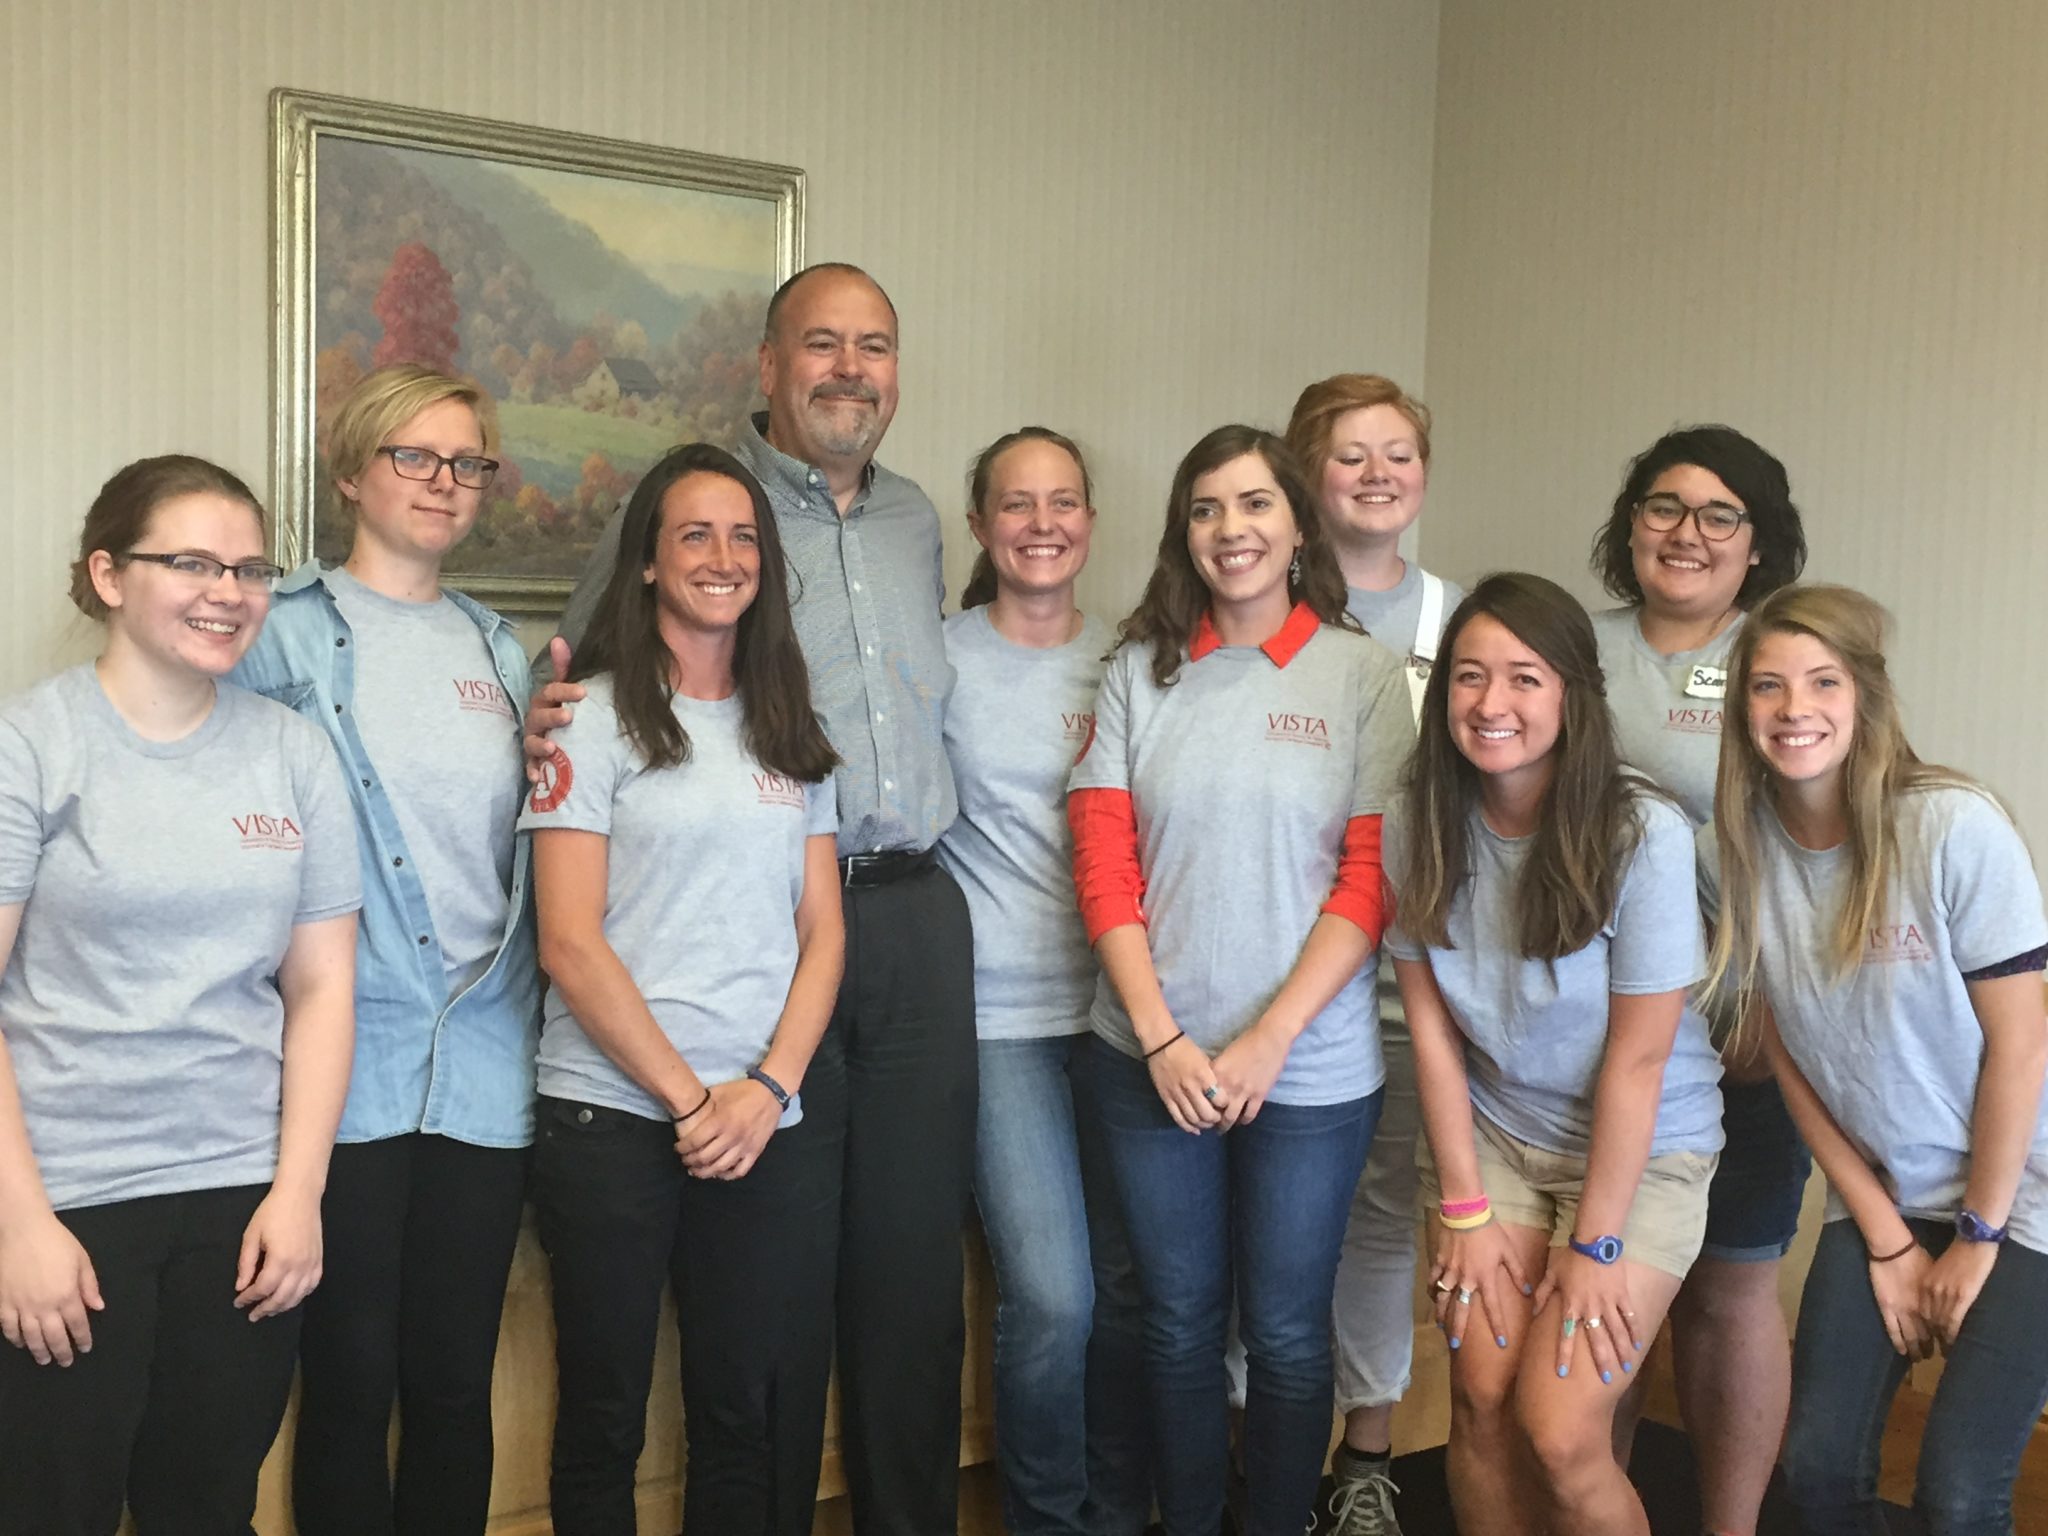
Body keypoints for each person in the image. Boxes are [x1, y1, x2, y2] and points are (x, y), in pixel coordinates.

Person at [530, 262, 973, 1535]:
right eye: (820, 344)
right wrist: (543, 720)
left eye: (874, 346)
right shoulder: (685, 509)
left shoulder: (914, 522)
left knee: (899, 1267)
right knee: (728, 1329)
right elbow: (574, 677)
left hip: (898, 914)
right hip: (717, 966)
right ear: (766, 366)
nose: (850, 369)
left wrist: (764, 1083)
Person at [0, 456, 361, 1533]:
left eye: (250, 568)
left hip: (241, 1207)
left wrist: (298, 1196)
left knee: (205, 1506)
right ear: (109, 574)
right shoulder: (32, 745)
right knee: (50, 1506)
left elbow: (323, 984)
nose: (230, 591)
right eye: (192, 562)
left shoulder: (294, 756)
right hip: (67, 1204)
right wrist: (18, 1225)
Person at [1068, 425, 1409, 1536]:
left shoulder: (1360, 676)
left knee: (1287, 1331)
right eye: (1206, 509)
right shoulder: (1134, 671)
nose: (1231, 530)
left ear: (1297, 524)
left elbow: (1368, 883)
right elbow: (1104, 869)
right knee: (1173, 1322)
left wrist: (1267, 1040)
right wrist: (1163, 1038)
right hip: (1146, 1062)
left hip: (1307, 1074)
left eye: (1255, 504)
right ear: (1183, 532)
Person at [227, 364, 539, 1536]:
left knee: (454, 1381)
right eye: (414, 456)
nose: (442, 482)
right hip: (344, 1064)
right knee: (350, 1379)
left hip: (482, 1059)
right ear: (354, 473)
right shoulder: (282, 632)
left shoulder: (503, 654)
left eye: (466, 463)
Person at [523, 443, 845, 1535]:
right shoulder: (589, 718)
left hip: (760, 1118)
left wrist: (763, 1088)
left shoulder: (791, 729)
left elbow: (823, 934)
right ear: (648, 563)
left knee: (740, 1413)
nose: (722, 556)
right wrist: (692, 1101)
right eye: (693, 534)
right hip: (612, 1115)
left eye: (743, 534)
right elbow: (568, 942)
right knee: (605, 1415)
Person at [1704, 583, 2048, 1536]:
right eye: (1767, 687)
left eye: (1821, 681)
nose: (1794, 709)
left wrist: (1975, 1239)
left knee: (1958, 1492)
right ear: (1741, 710)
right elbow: (1791, 1057)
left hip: (2027, 1198)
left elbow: (2025, 1047)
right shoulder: (1732, 850)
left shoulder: (1951, 826)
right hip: (1890, 1194)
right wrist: (1888, 1239)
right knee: (1815, 1472)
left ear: (1864, 696)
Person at [1385, 572, 1724, 1536]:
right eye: (1469, 676)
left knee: (1561, 1430)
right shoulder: (1416, 821)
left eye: (1525, 679)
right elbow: (1435, 1034)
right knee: (1483, 1404)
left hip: (1642, 1154)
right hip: (1492, 1138)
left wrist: (1599, 1242)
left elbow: (1640, 1065)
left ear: (1574, 693)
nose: (1493, 704)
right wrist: (1464, 1205)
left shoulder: (1640, 834)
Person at [1586, 425, 1810, 1535]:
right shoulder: (1572, 649)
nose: (1685, 532)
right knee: (1605, 1290)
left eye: (1717, 514)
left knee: (1726, 1291)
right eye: (1661, 506)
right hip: (1592, 1039)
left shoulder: (1789, 656)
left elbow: (1830, 846)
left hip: (1744, 1032)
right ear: (1628, 523)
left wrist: (1777, 1004)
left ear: (1756, 542)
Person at [941, 427, 1148, 1535]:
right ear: (979, 524)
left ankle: (1117, 1509)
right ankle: (1047, 1519)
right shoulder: (934, 659)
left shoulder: (1134, 660)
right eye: (1015, 505)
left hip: (1124, 1023)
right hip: (996, 1022)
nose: (1040, 525)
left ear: (1089, 521)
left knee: (1128, 1294)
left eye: (1061, 502)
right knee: (1054, 1294)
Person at [1288, 373, 1463, 1535]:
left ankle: (1363, 1459)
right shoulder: (1257, 597)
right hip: (1277, 980)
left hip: (1410, 980)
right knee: (1273, 1224)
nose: (1374, 476)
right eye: (1349, 456)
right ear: (1306, 476)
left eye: (1395, 454)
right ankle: (1248, 1444)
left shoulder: (1459, 621)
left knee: (1377, 1224)